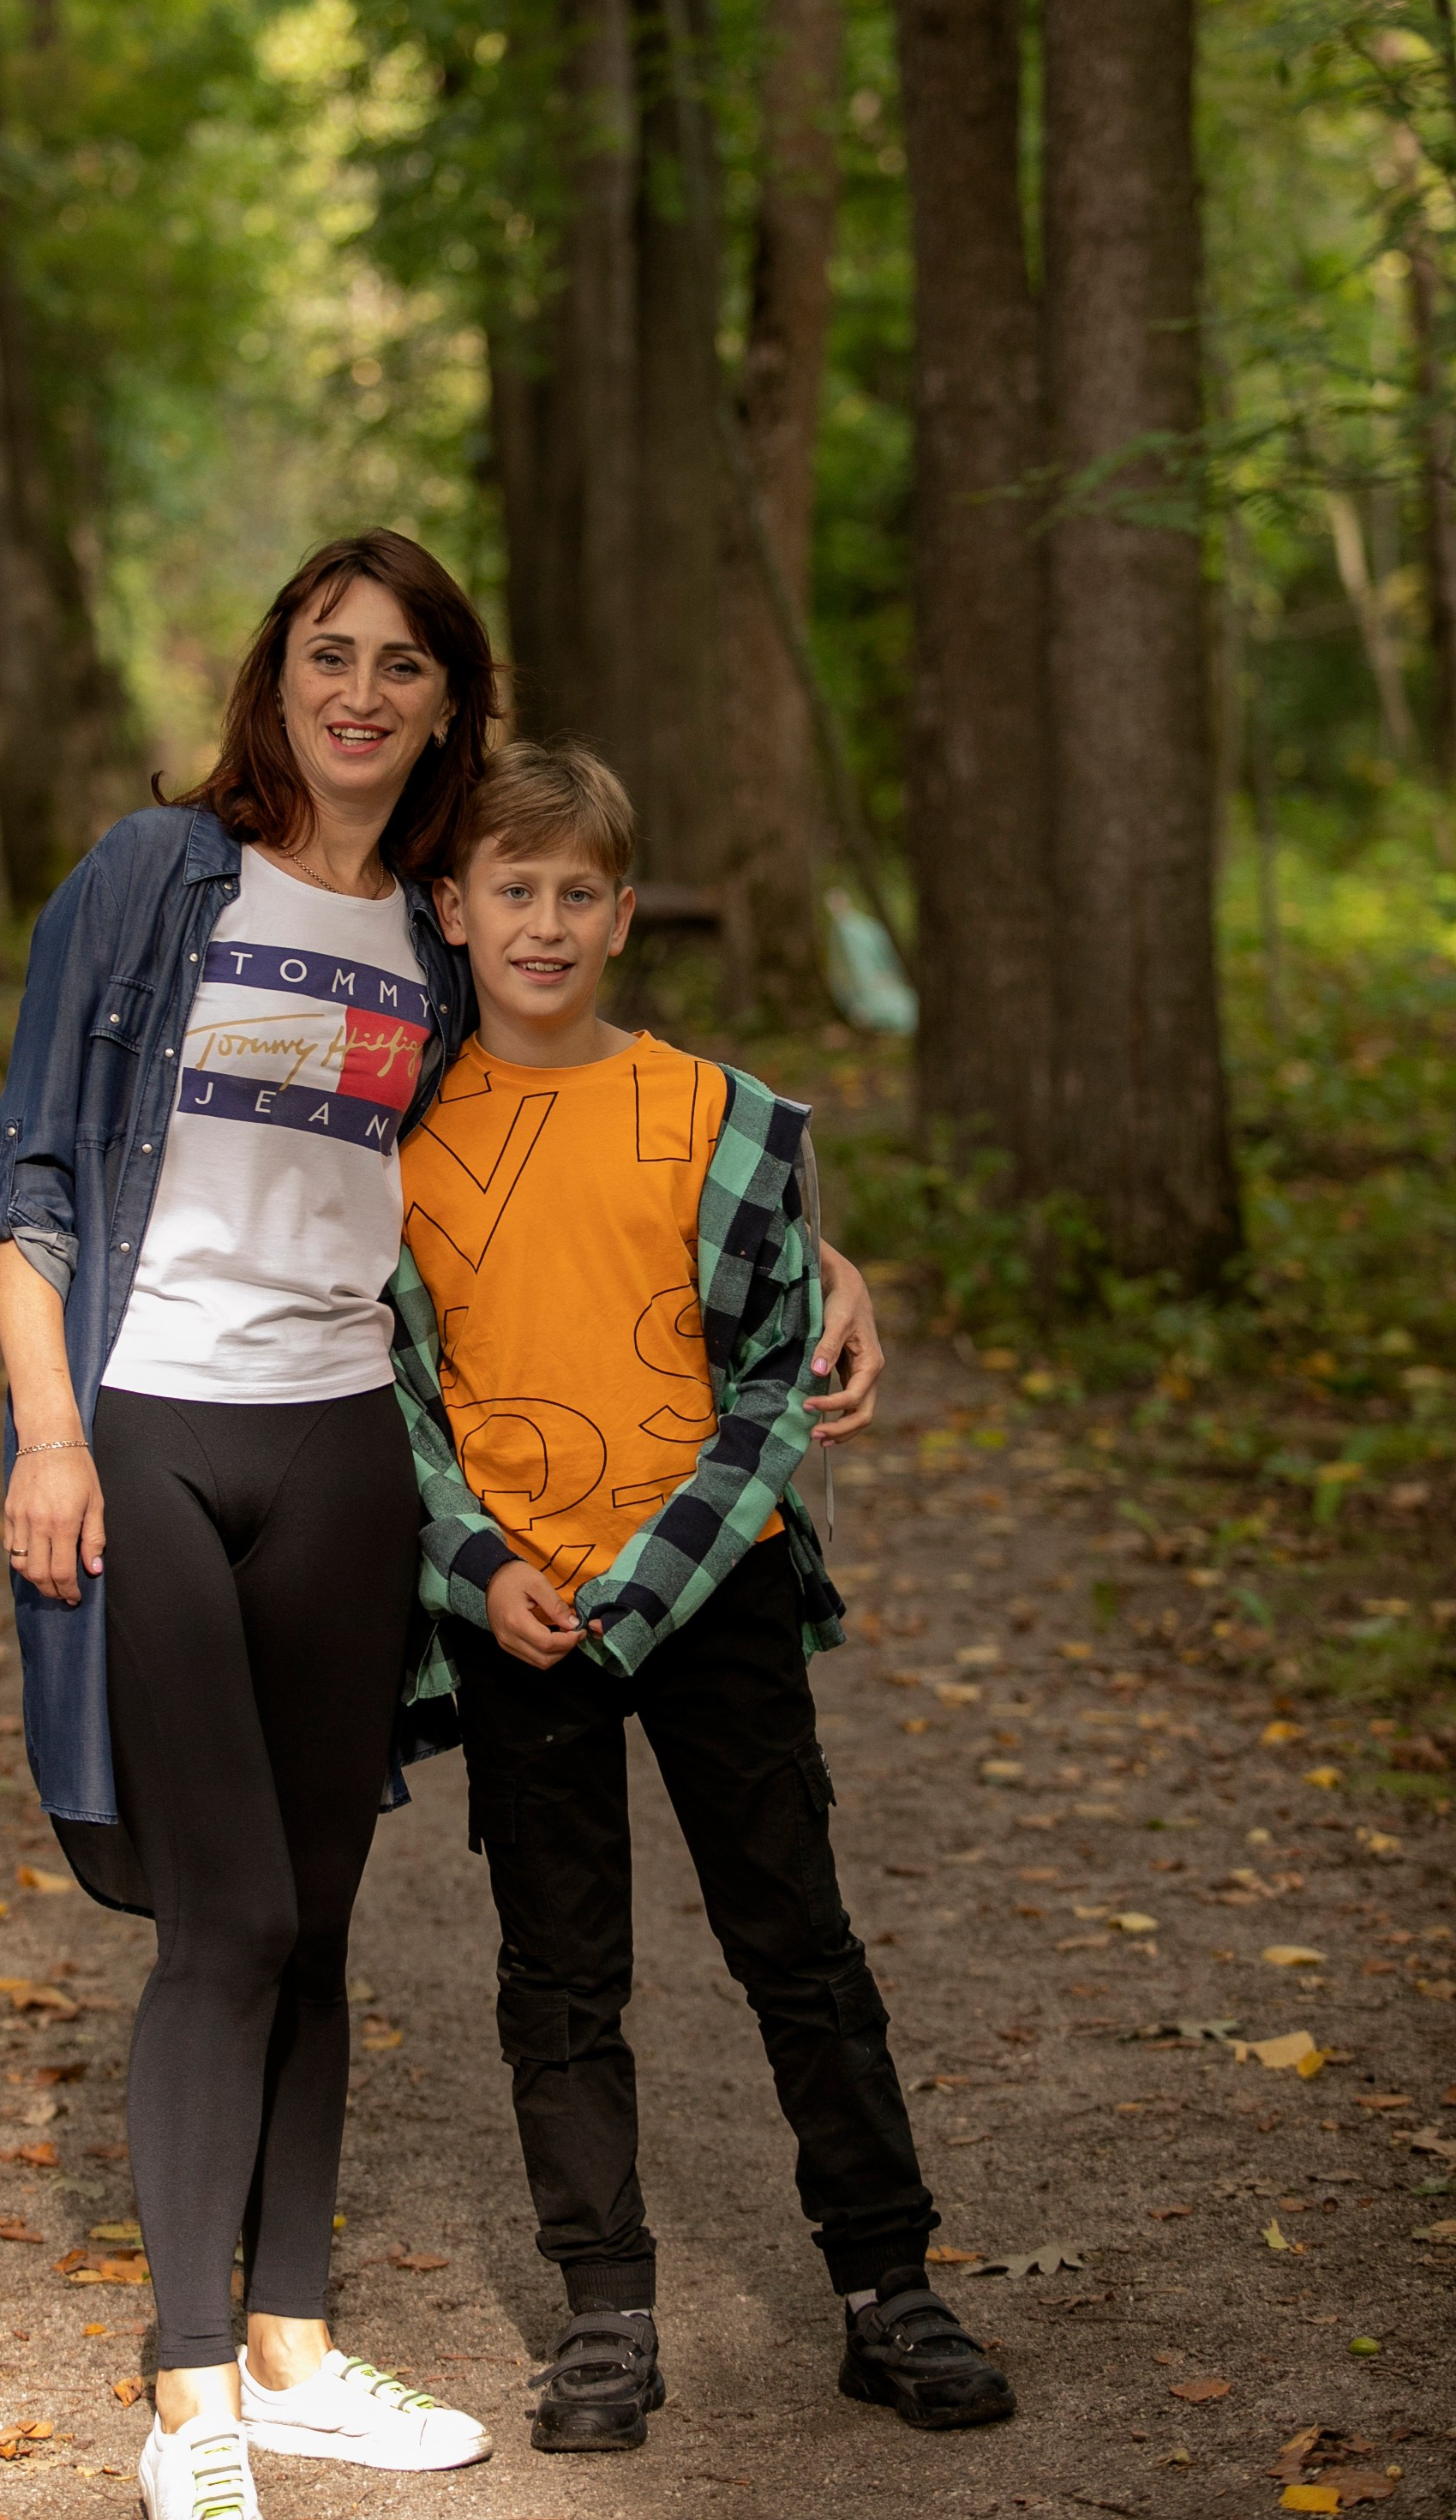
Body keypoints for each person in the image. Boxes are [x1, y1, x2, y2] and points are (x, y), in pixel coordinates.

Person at [0, 531, 507, 2520]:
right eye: (326, 654)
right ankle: (187, 2397)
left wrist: (824, 1254)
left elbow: (577, 1123)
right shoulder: (149, 877)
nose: (358, 691)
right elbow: (18, 1178)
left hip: (344, 1452)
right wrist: (49, 1439)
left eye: (400, 665)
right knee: (233, 1917)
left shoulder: (442, 933)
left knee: (327, 1918)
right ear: (276, 677)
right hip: (153, 1437)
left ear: (449, 702)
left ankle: (290, 2348)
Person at [390, 741, 1016, 2456]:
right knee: (559, 1973)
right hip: (516, 1605)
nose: (542, 922)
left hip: (710, 1592)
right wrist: (479, 1567)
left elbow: (768, 1377)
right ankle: (603, 2312)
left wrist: (652, 1579)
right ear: (449, 910)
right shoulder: (396, 1141)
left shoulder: (714, 1115)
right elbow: (389, 1389)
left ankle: (888, 2288)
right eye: (507, 891)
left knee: (793, 1939)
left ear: (620, 910)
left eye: (575, 892)